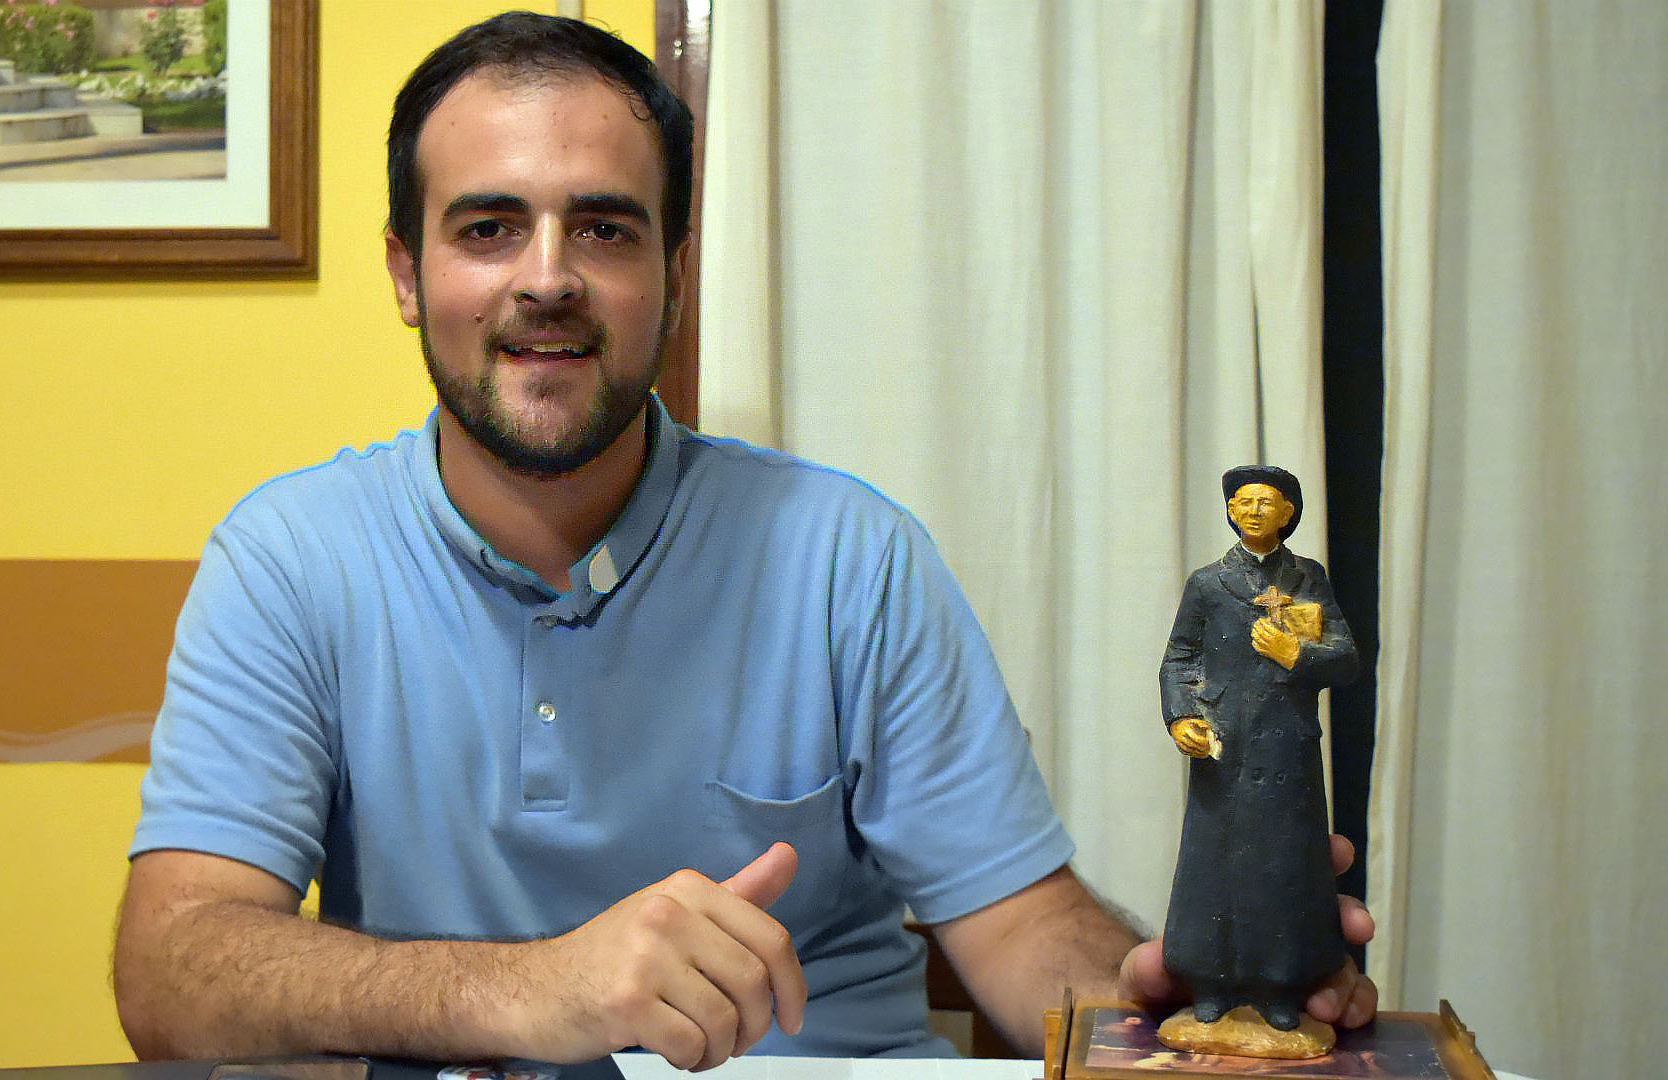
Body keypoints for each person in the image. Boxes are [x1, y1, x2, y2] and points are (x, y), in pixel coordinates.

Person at [111, 14, 1375, 1070]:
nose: (546, 279)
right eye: (488, 227)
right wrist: (532, 990)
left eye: (604, 229)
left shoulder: (850, 556)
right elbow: (171, 974)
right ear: (405, 273)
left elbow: (1019, 927)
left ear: (673, 272)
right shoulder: (285, 560)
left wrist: (1171, 1005)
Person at [1159, 467, 1361, 1033]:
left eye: (1265, 502)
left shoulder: (1308, 579)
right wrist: (1183, 719)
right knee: (1214, 864)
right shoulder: (1207, 583)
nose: (1251, 511)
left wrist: (1298, 655)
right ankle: (1209, 980)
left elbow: (1346, 660)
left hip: (1286, 751)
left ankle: (1280, 982)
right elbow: (1179, 659)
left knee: (1284, 865)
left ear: (1289, 514)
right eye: (1242, 502)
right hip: (1225, 753)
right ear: (1229, 511)